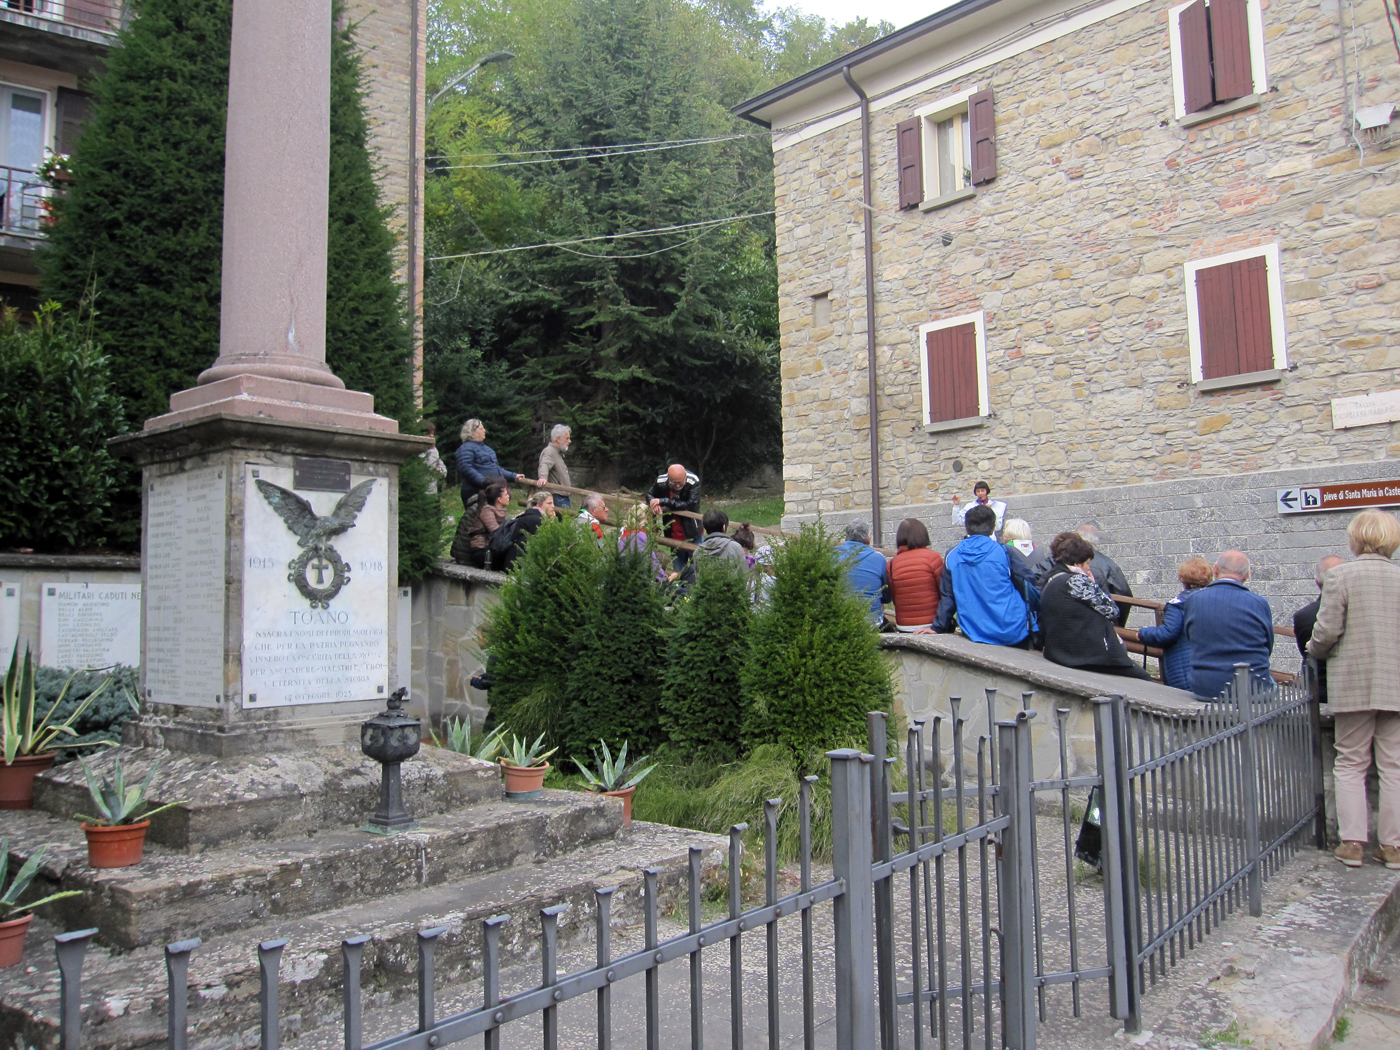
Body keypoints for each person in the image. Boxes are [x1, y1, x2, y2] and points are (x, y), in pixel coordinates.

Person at [1306, 511, 1400, 870]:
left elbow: (1327, 631)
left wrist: (1314, 650)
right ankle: (1392, 847)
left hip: (1355, 680)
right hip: (1395, 680)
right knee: (1393, 766)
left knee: (1350, 763)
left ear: (1355, 539)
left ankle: (1353, 843)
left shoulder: (1341, 576)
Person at [1039, 531, 1152, 680]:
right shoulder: (1076, 581)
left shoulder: (1051, 578)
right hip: (1085, 655)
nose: (1088, 568)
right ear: (1077, 564)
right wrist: (1092, 584)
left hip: (1059, 651)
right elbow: (1111, 610)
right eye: (1087, 563)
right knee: (1143, 678)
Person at [1181, 551, 1274, 700]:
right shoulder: (1258, 603)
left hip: (1205, 687)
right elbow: (1268, 646)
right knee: (1273, 685)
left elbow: (1191, 638)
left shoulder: (1194, 600)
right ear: (1247, 575)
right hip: (1252, 688)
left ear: (1216, 570)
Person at [933, 505, 1029, 647]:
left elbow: (948, 597)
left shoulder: (952, 555)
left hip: (975, 631)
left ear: (967, 528)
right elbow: (1027, 585)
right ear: (992, 529)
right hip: (1012, 628)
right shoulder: (1004, 552)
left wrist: (937, 627)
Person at [1134, 557, 1213, 690]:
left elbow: (1167, 633)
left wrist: (1143, 633)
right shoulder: (1214, 602)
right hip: (1209, 668)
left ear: (1182, 579)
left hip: (1184, 670)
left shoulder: (1178, 604)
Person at [1294, 554, 1347, 704]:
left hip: (1317, 689)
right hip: (1348, 689)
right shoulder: (1358, 611)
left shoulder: (1303, 616)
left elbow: (1306, 652)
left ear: (1317, 582)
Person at [1071, 523, 1134, 628]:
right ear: (1095, 541)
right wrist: (1118, 623)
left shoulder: (1064, 560)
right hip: (1101, 623)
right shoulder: (1108, 564)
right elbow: (1124, 594)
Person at [886, 518, 943, 633]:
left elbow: (894, 596)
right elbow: (943, 592)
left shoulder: (892, 564)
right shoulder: (933, 558)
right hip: (932, 624)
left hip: (904, 626)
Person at [837, 519, 893, 629]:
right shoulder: (878, 558)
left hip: (840, 620)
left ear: (845, 538)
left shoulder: (832, 554)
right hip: (872, 623)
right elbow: (886, 596)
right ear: (868, 539)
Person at [647, 465, 702, 571]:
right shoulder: (660, 481)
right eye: (674, 483)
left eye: (680, 482)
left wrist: (663, 501)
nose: (677, 486)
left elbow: (690, 504)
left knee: (698, 567)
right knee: (678, 569)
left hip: (693, 530)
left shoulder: (693, 481)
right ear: (668, 478)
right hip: (673, 531)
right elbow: (650, 495)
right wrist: (654, 504)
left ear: (685, 476)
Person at [464, 481, 512, 569]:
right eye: (505, 495)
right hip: (483, 551)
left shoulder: (499, 511)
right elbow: (497, 533)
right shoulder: (487, 511)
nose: (508, 496)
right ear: (499, 499)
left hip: (492, 550)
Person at [536, 424, 573, 508]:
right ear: (558, 439)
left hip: (561, 496)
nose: (569, 441)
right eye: (567, 438)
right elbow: (545, 464)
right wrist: (543, 477)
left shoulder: (557, 453)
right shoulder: (550, 452)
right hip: (557, 497)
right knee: (562, 520)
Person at [420, 422, 447, 494]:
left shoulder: (434, 450)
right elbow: (429, 467)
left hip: (433, 490)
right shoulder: (420, 452)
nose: (431, 437)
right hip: (422, 491)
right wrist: (432, 451)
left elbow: (443, 470)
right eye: (429, 434)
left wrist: (439, 470)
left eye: (433, 434)